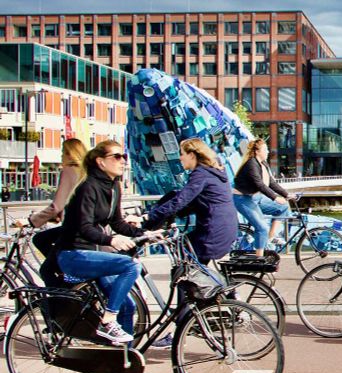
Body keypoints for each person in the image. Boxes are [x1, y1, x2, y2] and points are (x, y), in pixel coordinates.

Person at [55, 140, 145, 345]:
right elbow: (84, 228)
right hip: (73, 255)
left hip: (92, 255)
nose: (122, 161)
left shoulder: (113, 186)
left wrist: (147, 232)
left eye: (124, 156)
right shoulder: (87, 187)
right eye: (116, 157)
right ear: (101, 162)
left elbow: (117, 222)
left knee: (128, 306)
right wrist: (111, 240)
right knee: (131, 266)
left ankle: (126, 362)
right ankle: (109, 320)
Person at [144, 139, 238, 264]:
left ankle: (190, 282)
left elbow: (180, 200)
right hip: (225, 228)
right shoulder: (214, 172)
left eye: (182, 154)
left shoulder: (201, 174)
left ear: (192, 155)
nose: (180, 158)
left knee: (186, 263)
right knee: (188, 261)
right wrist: (173, 214)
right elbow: (197, 203)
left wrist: (149, 217)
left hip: (212, 233)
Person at [13, 139, 88, 281]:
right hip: (86, 228)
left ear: (69, 153)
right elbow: (72, 201)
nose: (61, 156)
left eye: (62, 152)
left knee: (46, 270)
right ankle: (64, 271)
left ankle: (58, 300)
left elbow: (57, 206)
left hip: (75, 231)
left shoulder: (69, 170)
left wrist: (31, 220)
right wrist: (56, 216)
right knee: (42, 239)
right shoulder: (86, 172)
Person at [233, 138, 293, 258]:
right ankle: (259, 258)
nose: (268, 151)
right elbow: (259, 184)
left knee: (284, 207)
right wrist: (275, 198)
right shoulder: (251, 164)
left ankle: (269, 239)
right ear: (257, 152)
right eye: (265, 149)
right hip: (242, 198)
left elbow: (271, 183)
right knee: (262, 227)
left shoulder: (263, 164)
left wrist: (286, 195)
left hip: (255, 197)